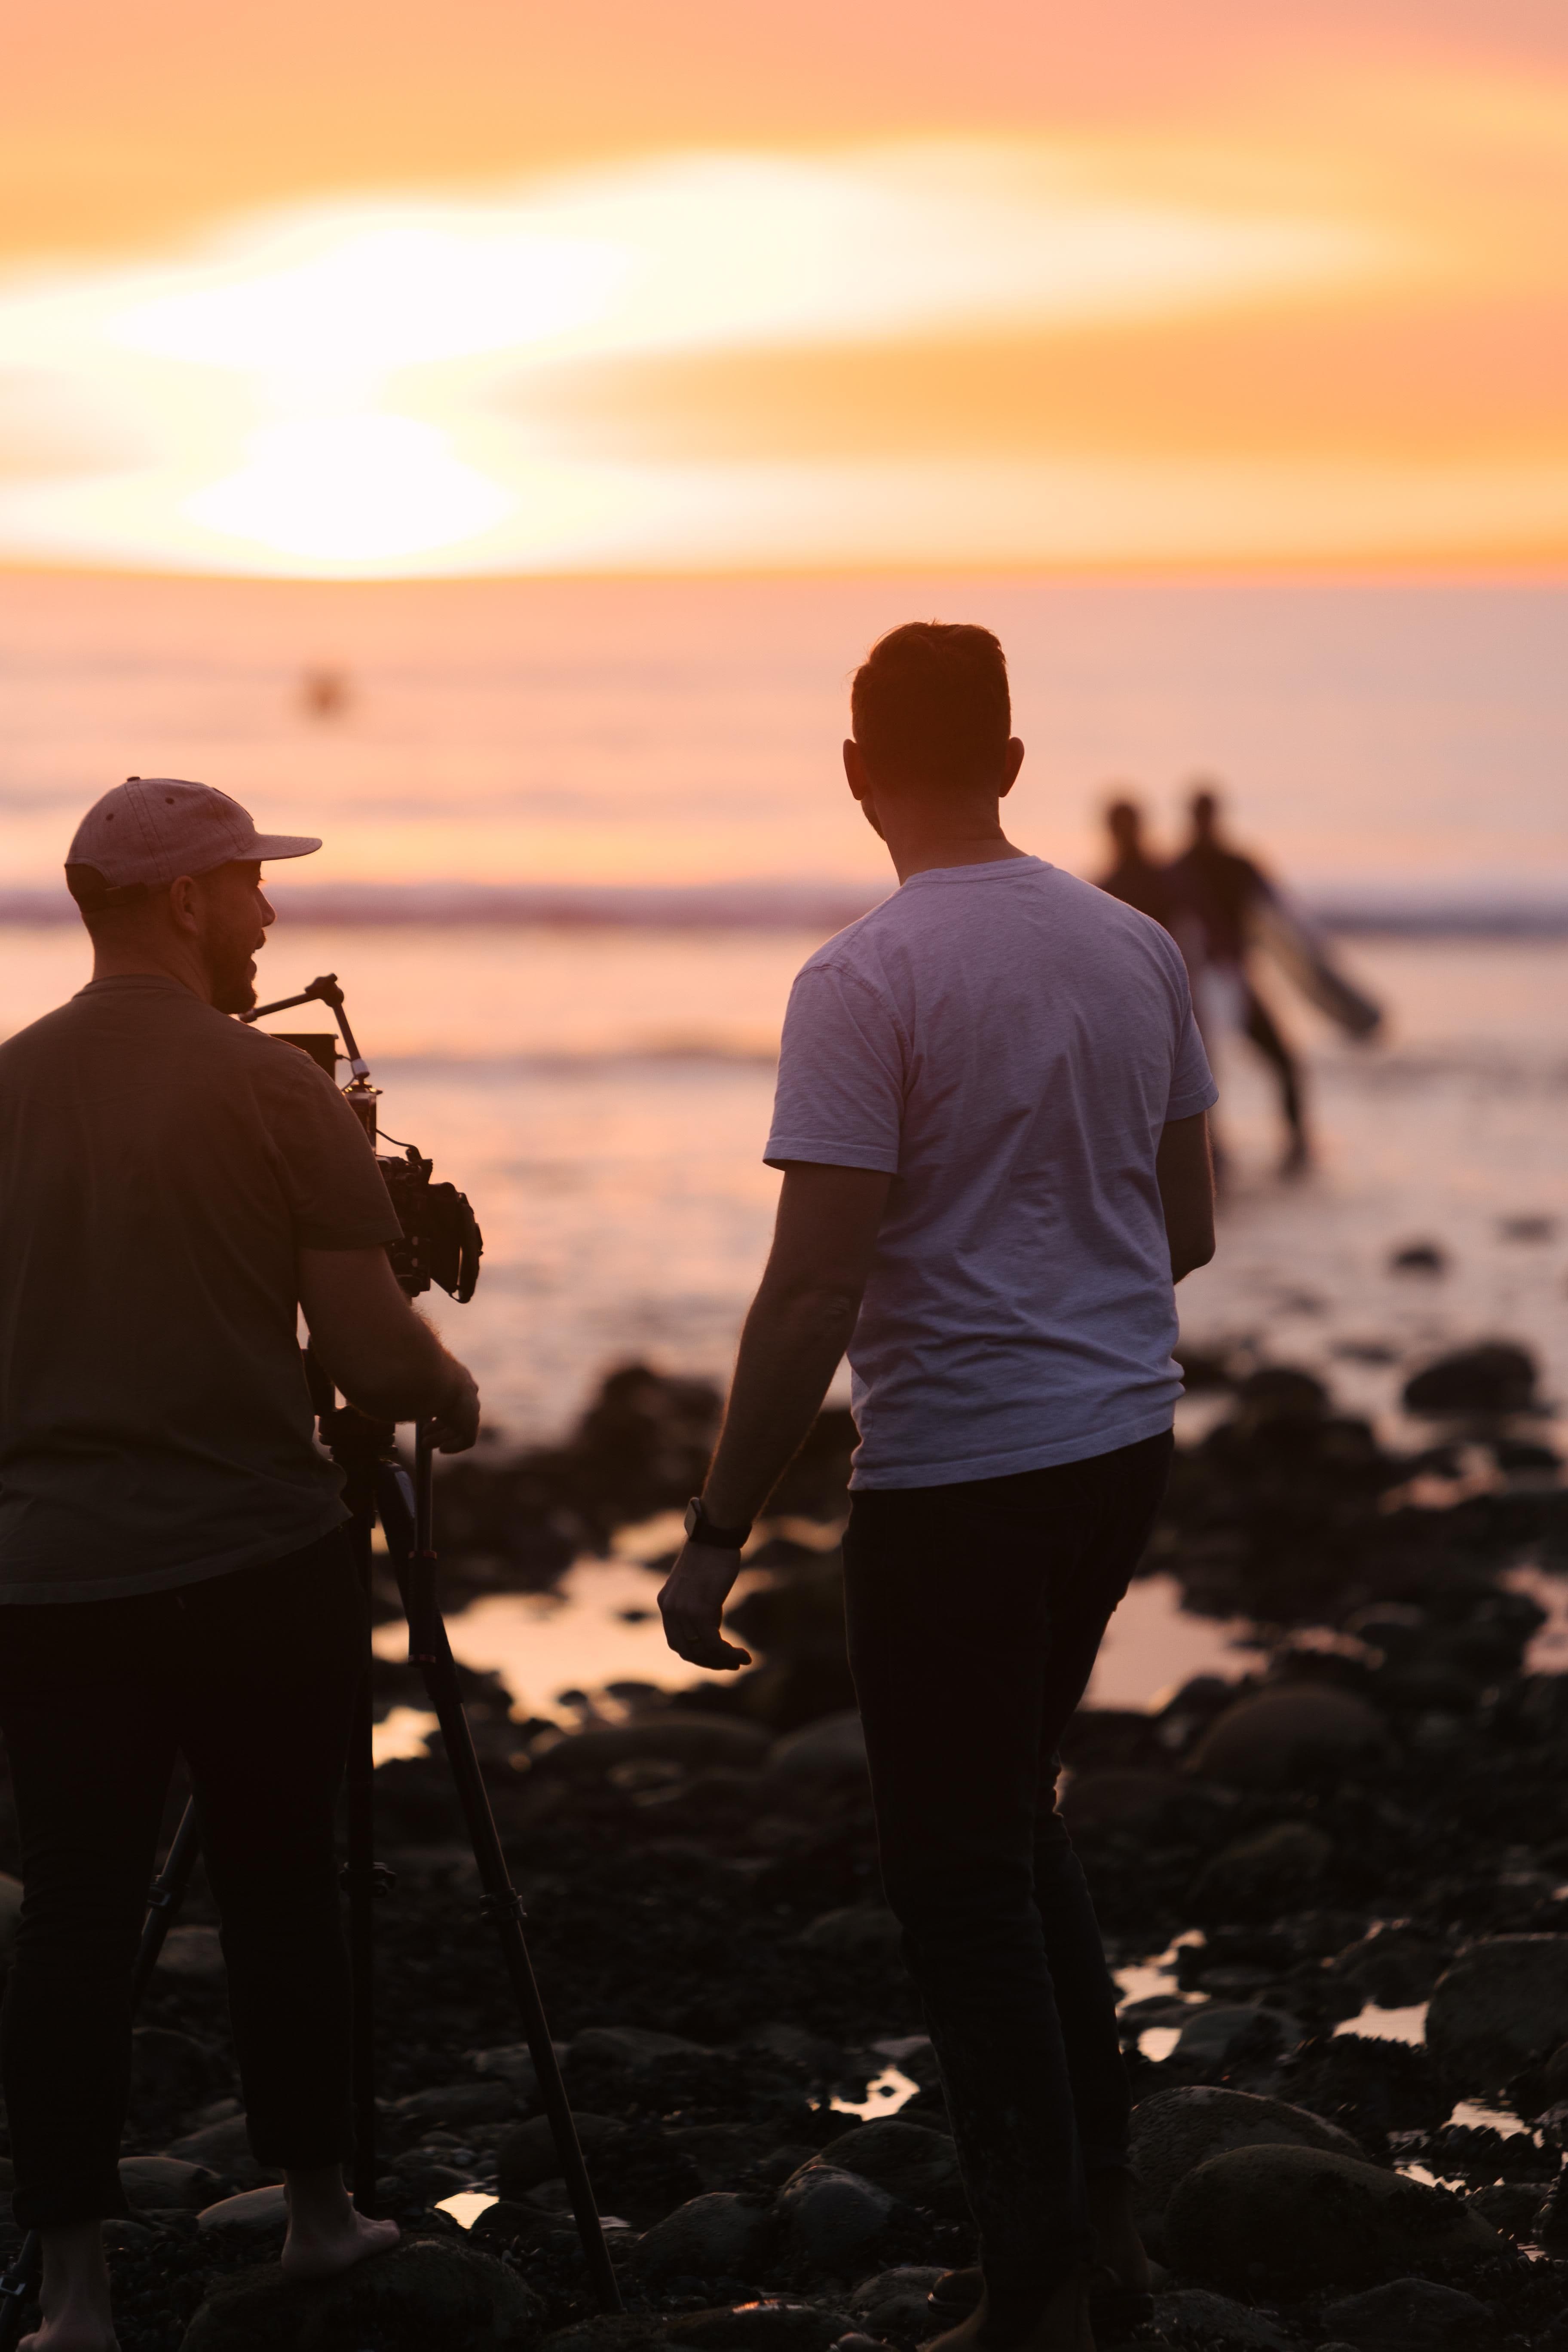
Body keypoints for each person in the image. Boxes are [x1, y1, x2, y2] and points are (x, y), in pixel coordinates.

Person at [658, 625, 1216, 2352]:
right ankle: (1102, 2224)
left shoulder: (863, 982)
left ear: (852, 771)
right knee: (1012, 1822)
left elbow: (815, 1290)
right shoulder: (1135, 949)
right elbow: (1184, 1227)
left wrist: (716, 1532)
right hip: (1119, 1445)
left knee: (957, 1874)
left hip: (964, 1471)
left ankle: (1032, 2285)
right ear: (1016, 760)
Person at [0, 778, 480, 2352]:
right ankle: (321, 2209)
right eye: (248, 885)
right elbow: (366, 1348)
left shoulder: (7, 1088)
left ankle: (70, 2293)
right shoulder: (280, 1092)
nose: (269, 912)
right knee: (287, 1880)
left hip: (55, 1577)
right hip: (259, 1552)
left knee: (74, 1909)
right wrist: (449, 1390)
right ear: (185, 901)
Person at [1169, 785, 1308, 1176]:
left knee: (1282, 1059)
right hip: (1200, 985)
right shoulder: (1179, 871)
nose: (1205, 823)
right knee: (1207, 1072)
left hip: (1236, 979)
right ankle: (1218, 1153)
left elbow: (1278, 913)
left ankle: (1297, 1144)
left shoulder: (1235, 865)